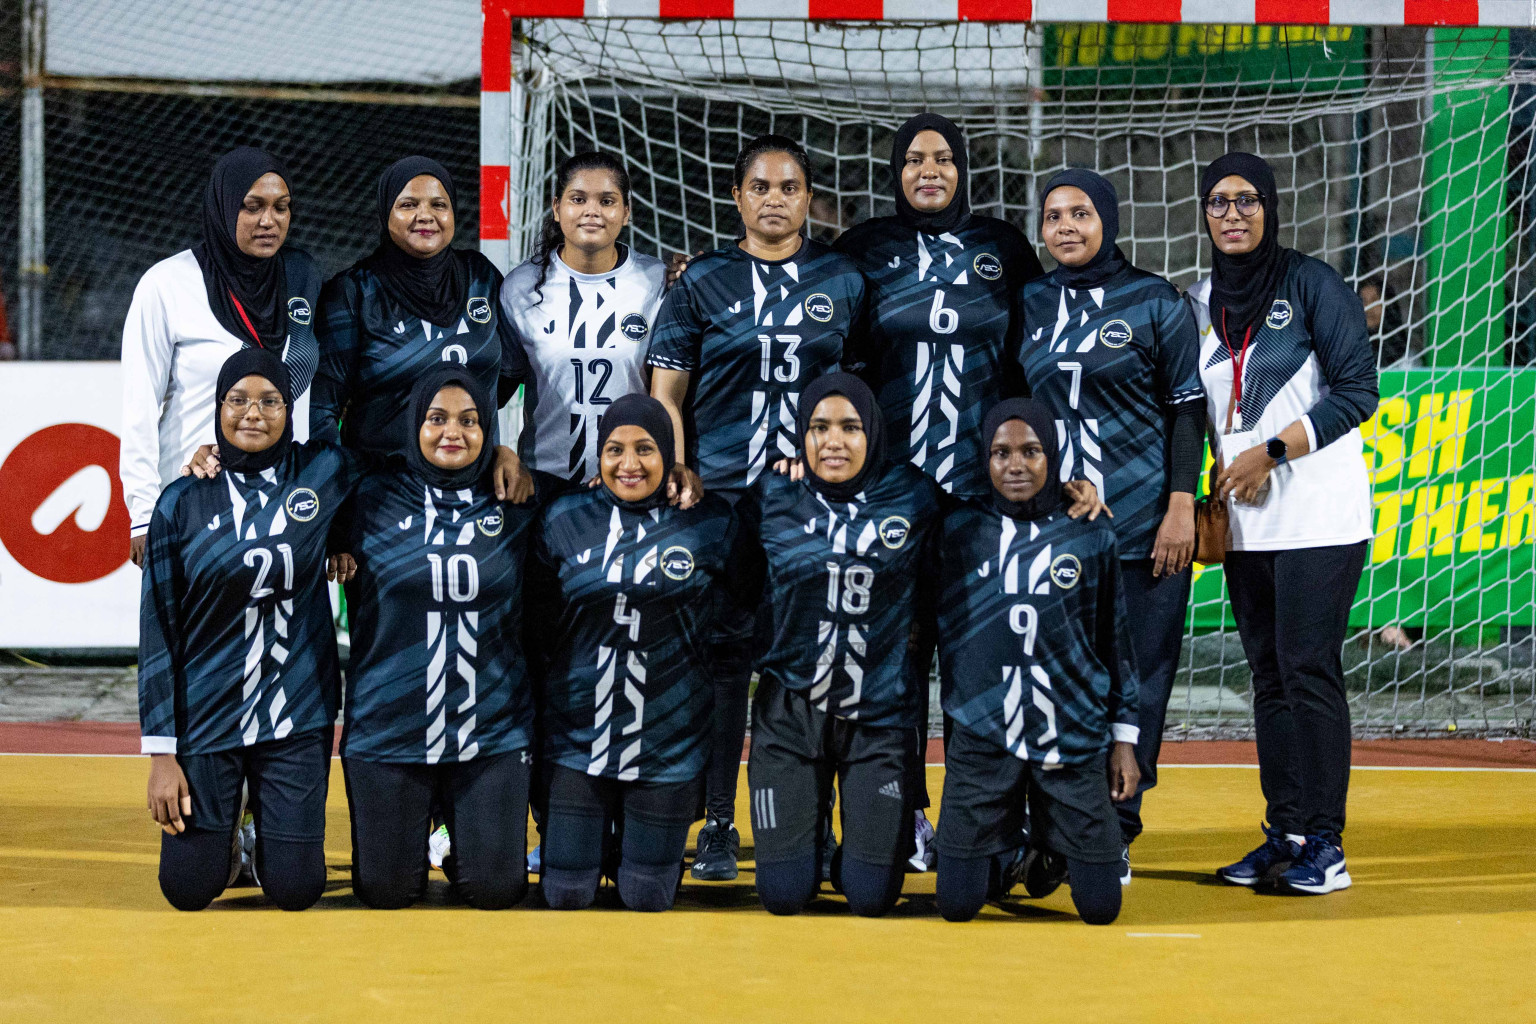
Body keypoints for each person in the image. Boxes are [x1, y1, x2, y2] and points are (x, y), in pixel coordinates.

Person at [648, 134, 866, 881]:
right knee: (721, 667)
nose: (775, 198)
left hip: (813, 509)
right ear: (736, 197)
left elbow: (861, 396)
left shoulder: (843, 277)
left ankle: (818, 823)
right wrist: (678, 466)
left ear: (809, 199)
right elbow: (666, 392)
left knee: (813, 662)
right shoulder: (702, 281)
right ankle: (714, 822)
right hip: (721, 505)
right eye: (761, 186)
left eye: (790, 186)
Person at [834, 113, 1045, 870]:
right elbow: (834, 361)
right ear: (895, 170)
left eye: (943, 159)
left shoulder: (1005, 248)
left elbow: (1032, 367)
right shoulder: (862, 252)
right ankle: (904, 814)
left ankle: (981, 815)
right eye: (915, 159)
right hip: (889, 498)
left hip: (978, 500)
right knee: (892, 658)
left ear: (963, 169)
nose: (929, 170)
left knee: (979, 656)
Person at [1191, 153, 1377, 895]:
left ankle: (1327, 848)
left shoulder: (1312, 285)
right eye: (1217, 203)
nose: (1232, 214)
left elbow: (1358, 393)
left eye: (1245, 201)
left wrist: (1271, 451)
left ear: (1269, 207)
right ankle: (1287, 831)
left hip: (1320, 515)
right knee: (1268, 679)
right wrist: (1215, 481)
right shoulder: (1200, 298)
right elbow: (1207, 409)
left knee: (1308, 670)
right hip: (1250, 522)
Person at [1015, 168, 1205, 883]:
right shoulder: (1029, 301)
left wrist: (1180, 505)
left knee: (1140, 681)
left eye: (1081, 213)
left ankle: (1115, 826)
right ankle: (1049, 824)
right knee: (1052, 676)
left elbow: (1188, 409)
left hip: (1141, 530)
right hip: (1053, 532)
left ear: (1110, 221)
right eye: (1054, 214)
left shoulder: (1156, 302)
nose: (1066, 226)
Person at [138, 349, 368, 911]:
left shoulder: (324, 471)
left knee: (296, 889)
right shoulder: (181, 502)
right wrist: (161, 755)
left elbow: (396, 474)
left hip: (298, 711)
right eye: (237, 400)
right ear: (217, 410)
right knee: (188, 890)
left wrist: (343, 535)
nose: (253, 414)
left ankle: (268, 835)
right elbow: (158, 630)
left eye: (270, 401)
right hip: (208, 713)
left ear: (290, 410)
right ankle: (233, 842)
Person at [335, 367, 545, 910]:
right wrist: (210, 457)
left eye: (470, 421)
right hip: (389, 727)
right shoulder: (366, 496)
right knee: (386, 892)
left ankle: (454, 832)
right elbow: (281, 476)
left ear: (489, 429)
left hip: (490, 729)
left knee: (497, 890)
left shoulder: (516, 499)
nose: (453, 432)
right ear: (413, 425)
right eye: (436, 419)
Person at [932, 399, 1139, 926]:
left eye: (1031, 450)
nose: (1015, 464)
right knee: (957, 905)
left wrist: (1125, 740)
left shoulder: (1091, 535)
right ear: (984, 458)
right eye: (1000, 453)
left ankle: (1048, 844)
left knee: (1100, 908)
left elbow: (1116, 644)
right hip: (984, 737)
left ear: (1055, 455)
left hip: (1069, 736)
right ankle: (1010, 845)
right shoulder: (956, 531)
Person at [744, 373, 941, 916]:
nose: (834, 441)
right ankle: (804, 839)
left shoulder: (917, 497)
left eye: (850, 428)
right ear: (800, 437)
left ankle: (847, 852)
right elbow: (730, 575)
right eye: (819, 427)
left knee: (870, 897)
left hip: (879, 718)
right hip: (789, 714)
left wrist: (1062, 495)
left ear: (873, 433)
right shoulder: (770, 494)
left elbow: (982, 532)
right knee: (784, 895)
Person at [535, 395, 739, 911]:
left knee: (647, 896)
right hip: (578, 743)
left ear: (669, 455)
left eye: (646, 449)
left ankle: (635, 844)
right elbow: (534, 623)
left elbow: (741, 614)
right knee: (566, 895)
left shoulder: (710, 522)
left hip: (666, 748)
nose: (628, 464)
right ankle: (591, 839)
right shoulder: (562, 516)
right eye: (614, 449)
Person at [122, 147, 322, 570]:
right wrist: (142, 515)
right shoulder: (168, 285)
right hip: (197, 501)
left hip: (287, 503)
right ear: (224, 205)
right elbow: (138, 407)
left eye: (281, 207)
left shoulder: (303, 277)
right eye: (253, 207)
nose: (270, 221)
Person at [310, 156, 531, 477]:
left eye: (439, 205)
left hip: (474, 487)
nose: (425, 215)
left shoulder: (481, 277)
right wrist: (339, 482)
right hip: (384, 493)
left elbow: (508, 372)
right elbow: (321, 408)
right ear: (386, 211)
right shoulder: (356, 291)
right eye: (408, 204)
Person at [500, 152, 668, 486]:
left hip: (632, 481)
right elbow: (495, 388)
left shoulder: (659, 281)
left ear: (626, 212)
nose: (592, 211)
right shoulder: (521, 287)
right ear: (556, 207)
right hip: (544, 481)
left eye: (607, 201)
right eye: (578, 199)